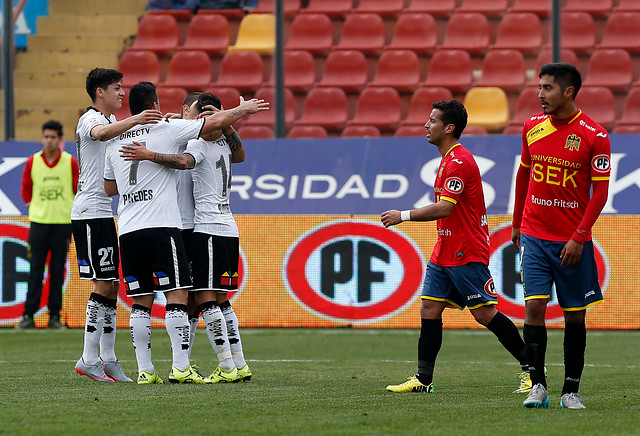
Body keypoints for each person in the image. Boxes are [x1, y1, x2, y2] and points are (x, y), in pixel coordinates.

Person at [105, 82, 267, 384]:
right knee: (208, 299)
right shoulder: (186, 134)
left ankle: (203, 365)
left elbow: (181, 162)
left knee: (196, 299)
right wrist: (231, 119)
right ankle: (216, 363)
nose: (186, 116)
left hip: (179, 226)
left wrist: (231, 117)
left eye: (189, 112)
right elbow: (237, 152)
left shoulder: (184, 138)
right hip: (198, 226)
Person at [381, 100, 529, 394]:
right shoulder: (447, 159)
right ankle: (424, 380)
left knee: (484, 314)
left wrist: (403, 216)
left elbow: (445, 208)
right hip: (445, 248)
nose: (426, 124)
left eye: (432, 120)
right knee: (429, 308)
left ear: (448, 128)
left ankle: (533, 370)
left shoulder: (459, 162)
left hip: (465, 250)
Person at [511, 63, 610, 410]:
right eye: (539, 87)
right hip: (535, 235)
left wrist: (580, 236)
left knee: (574, 317)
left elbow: (600, 194)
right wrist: (516, 224)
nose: (540, 94)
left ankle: (571, 390)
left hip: (572, 241)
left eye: (547, 88)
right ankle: (538, 385)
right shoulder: (531, 127)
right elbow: (523, 177)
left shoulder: (594, 135)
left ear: (568, 91)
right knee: (534, 308)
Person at [72, 68, 164, 383]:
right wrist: (138, 119)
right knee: (102, 283)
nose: (122, 94)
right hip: (88, 211)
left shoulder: (112, 122)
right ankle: (88, 357)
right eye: (116, 88)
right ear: (100, 92)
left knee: (112, 284)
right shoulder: (91, 120)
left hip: (104, 211)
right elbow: (99, 136)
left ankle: (108, 359)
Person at [16, 120, 78, 330]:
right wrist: (34, 208)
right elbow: (25, 189)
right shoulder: (33, 162)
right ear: (42, 138)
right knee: (35, 270)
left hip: (62, 223)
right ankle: (28, 315)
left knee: (57, 271)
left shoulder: (70, 162)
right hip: (39, 223)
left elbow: (77, 191)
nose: (49, 141)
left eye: (53, 137)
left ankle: (54, 316)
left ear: (60, 140)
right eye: (46, 137)